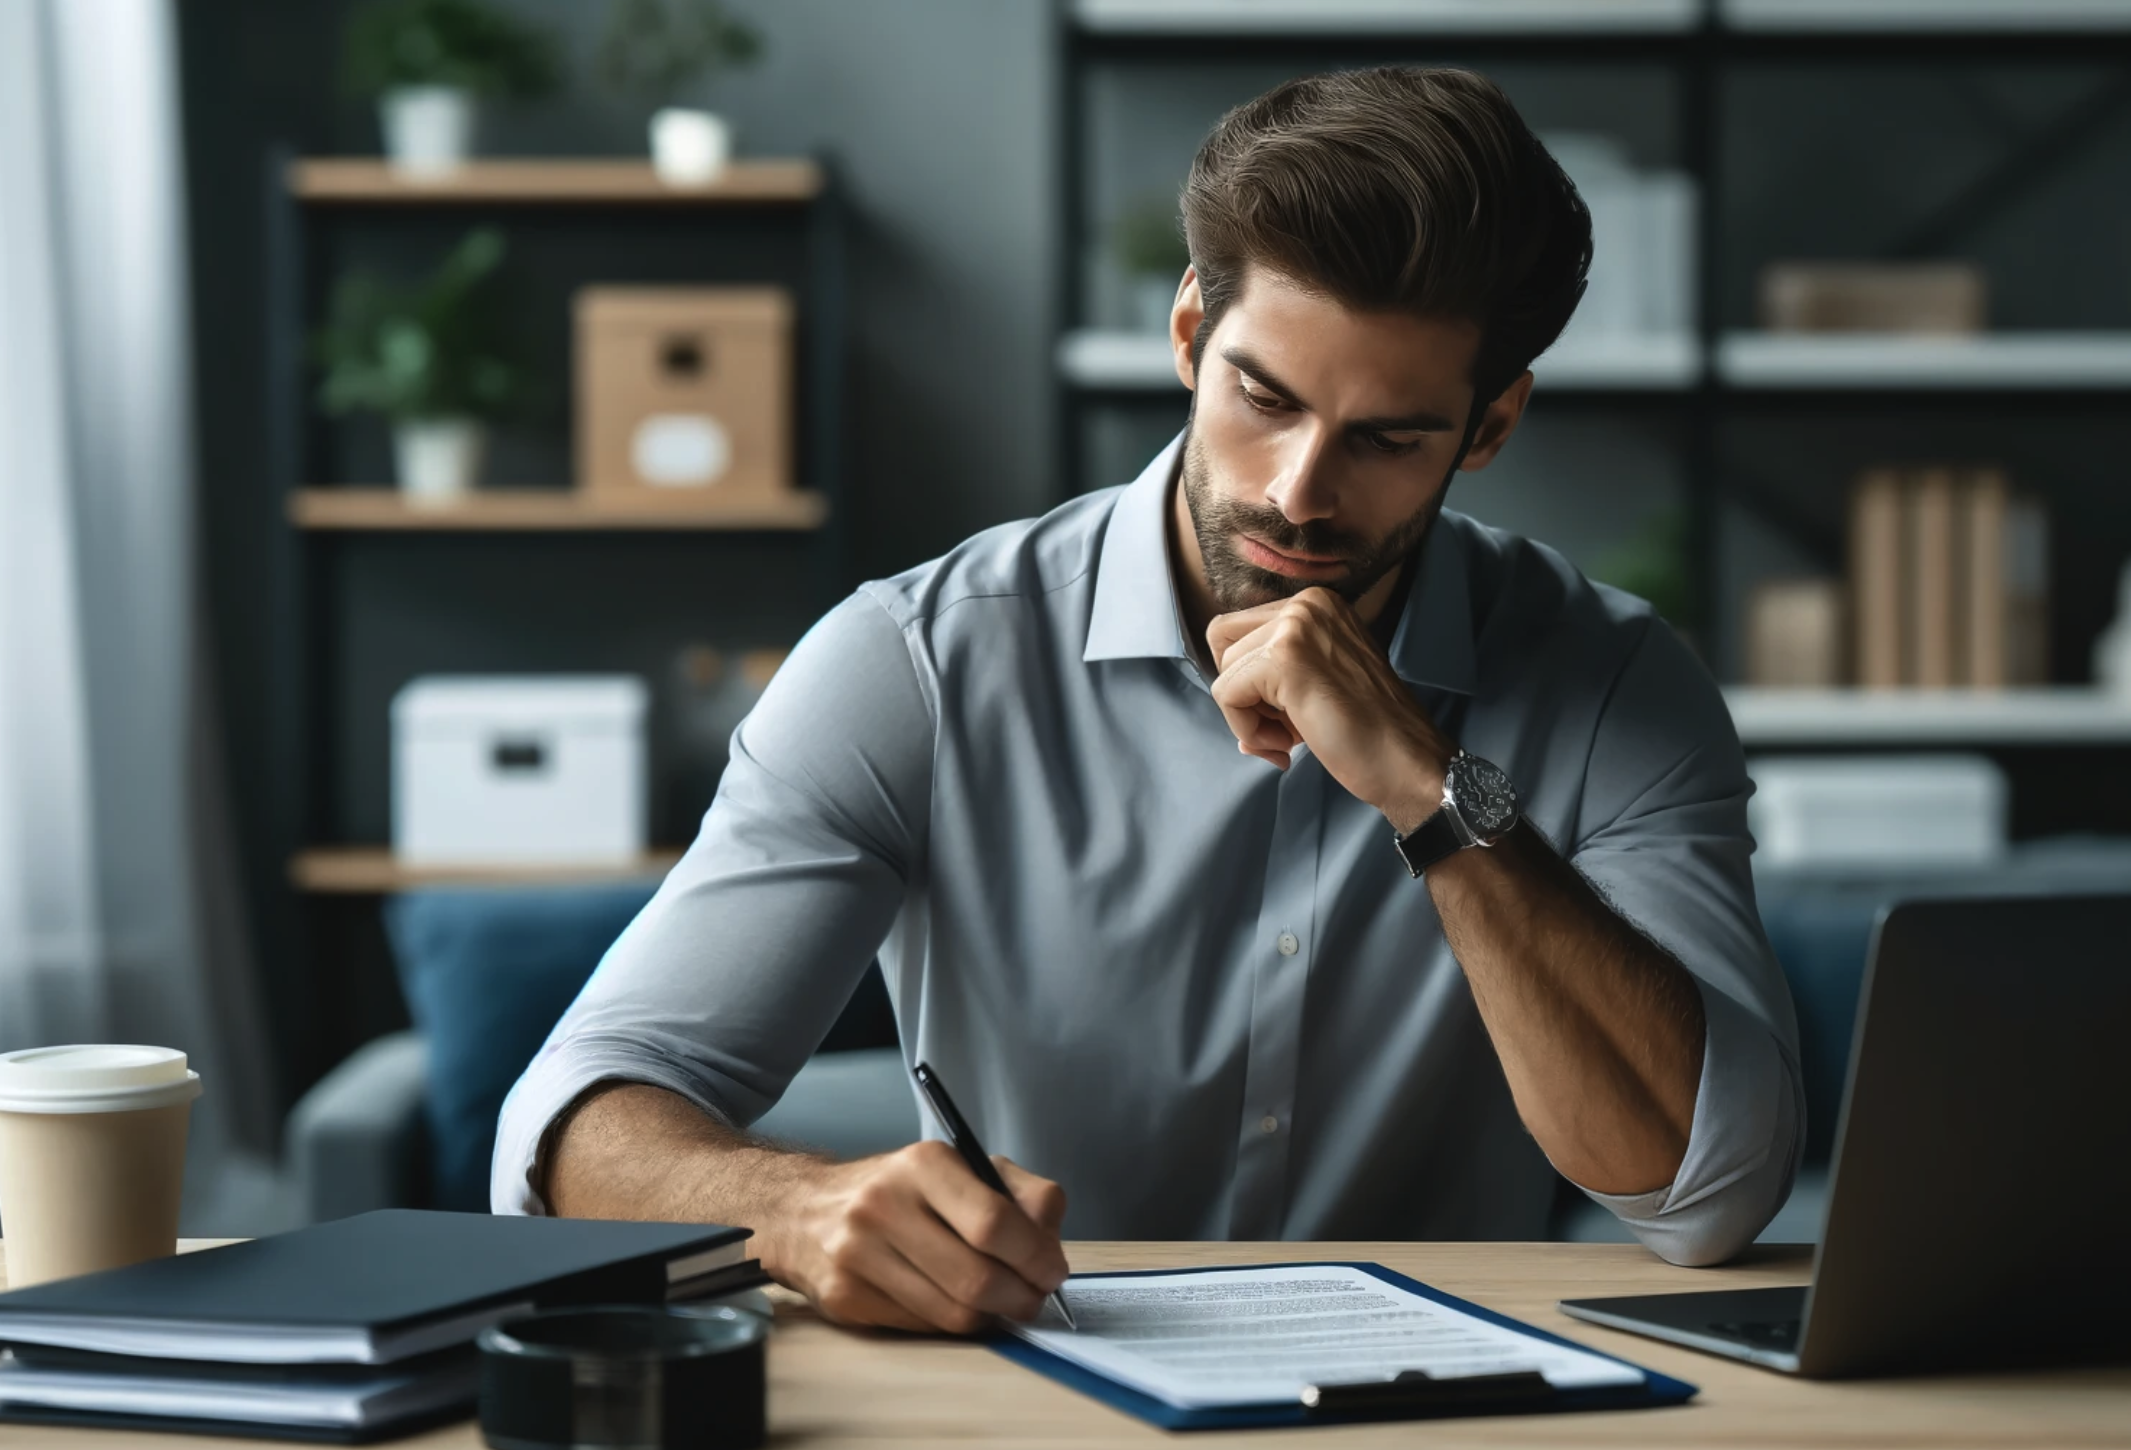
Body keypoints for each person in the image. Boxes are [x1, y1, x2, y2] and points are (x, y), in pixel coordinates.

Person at [494, 66, 1802, 1335]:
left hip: (1447, 1415)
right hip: (1033, 1403)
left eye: (1389, 437)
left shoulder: (1619, 682)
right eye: (1263, 396)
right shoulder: (919, 664)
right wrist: (793, 1207)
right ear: (1189, 333)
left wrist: (1433, 786)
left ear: (1491, 424)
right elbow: (563, 1127)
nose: (1299, 489)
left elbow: (1709, 1194)